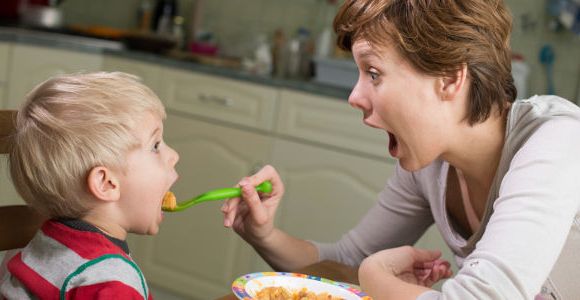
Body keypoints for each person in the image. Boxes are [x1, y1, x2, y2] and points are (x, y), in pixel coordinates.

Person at [221, 0, 580, 299]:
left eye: (373, 73)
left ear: (450, 77)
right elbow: (345, 260)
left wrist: (375, 278)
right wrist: (264, 234)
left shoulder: (557, 139)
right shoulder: (432, 165)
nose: (354, 97)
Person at [0, 72, 179, 299]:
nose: (173, 155)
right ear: (106, 183)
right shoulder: (113, 284)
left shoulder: (40, 242)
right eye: (155, 145)